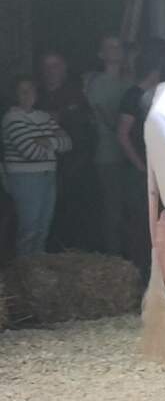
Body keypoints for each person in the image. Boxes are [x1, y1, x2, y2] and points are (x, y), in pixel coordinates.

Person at [36, 50, 101, 252]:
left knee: (73, 213)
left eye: (55, 65)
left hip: (75, 167)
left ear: (64, 68)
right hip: (40, 168)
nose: (51, 71)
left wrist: (62, 117)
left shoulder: (76, 95)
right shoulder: (34, 95)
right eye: (47, 66)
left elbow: (87, 132)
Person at [2, 75, 72, 256]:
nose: (27, 95)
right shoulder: (11, 119)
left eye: (31, 89)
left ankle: (37, 266)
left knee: (43, 226)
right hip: (25, 178)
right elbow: (30, 152)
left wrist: (45, 142)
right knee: (29, 227)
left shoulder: (43, 116)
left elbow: (68, 143)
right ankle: (23, 269)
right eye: (22, 91)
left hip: (48, 175)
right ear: (15, 94)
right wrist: (54, 142)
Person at [117, 50, 162, 285]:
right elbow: (123, 135)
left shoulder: (153, 96)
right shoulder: (133, 96)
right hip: (139, 172)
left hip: (152, 171)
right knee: (141, 226)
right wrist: (140, 166)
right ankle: (142, 277)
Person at [85, 33, 130, 255]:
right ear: (101, 54)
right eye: (110, 47)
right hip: (109, 155)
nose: (116, 50)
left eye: (118, 46)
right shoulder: (96, 84)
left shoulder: (129, 81)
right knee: (113, 209)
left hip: (132, 157)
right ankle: (114, 258)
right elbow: (111, 121)